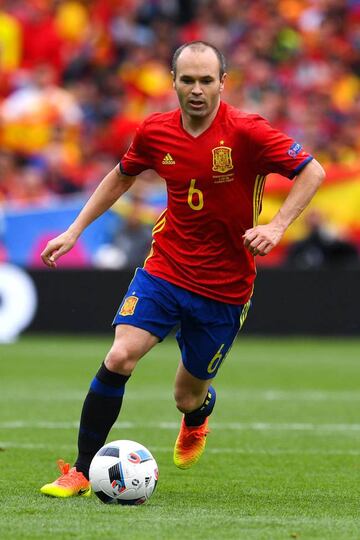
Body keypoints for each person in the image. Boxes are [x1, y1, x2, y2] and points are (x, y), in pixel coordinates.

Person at [40, 41, 325, 498]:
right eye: (187, 80)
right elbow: (121, 175)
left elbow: (312, 171)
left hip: (225, 288)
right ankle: (80, 470)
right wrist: (74, 230)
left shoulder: (248, 131)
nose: (196, 90)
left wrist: (277, 225)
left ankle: (197, 416)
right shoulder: (155, 130)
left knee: (186, 396)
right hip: (165, 269)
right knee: (119, 356)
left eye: (206, 81)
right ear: (172, 82)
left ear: (222, 83)